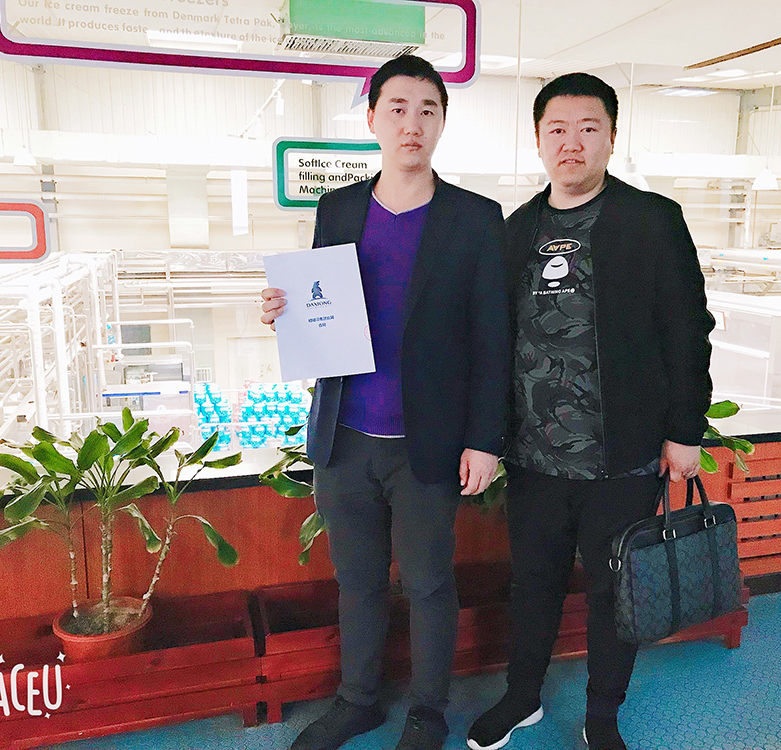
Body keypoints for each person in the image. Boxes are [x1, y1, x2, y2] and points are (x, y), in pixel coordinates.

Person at [260, 55, 508, 750]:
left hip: (427, 443)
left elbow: (493, 338)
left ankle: (427, 711)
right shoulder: (338, 208)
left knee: (428, 584)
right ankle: (358, 701)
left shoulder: (475, 219)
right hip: (344, 437)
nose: (412, 124)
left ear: (442, 123)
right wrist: (283, 313)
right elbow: (321, 307)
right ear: (372, 118)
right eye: (397, 108)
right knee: (359, 582)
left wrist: (485, 439)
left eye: (428, 110)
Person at [466, 73, 715, 750]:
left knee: (615, 591)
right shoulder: (515, 230)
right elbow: (486, 334)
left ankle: (602, 713)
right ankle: (522, 698)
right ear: (538, 139)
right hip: (534, 457)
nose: (571, 142)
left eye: (587, 128)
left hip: (622, 456)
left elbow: (687, 331)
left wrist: (684, 431)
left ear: (610, 136)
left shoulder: (651, 220)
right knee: (533, 585)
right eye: (558, 129)